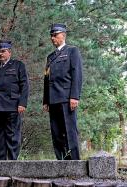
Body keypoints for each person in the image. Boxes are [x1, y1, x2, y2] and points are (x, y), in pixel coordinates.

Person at [0, 40, 29, 160]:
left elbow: (25, 86)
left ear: (9, 52)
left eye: (3, 51)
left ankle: (12, 163)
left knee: (12, 136)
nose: (0, 54)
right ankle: (0, 164)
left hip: (12, 106)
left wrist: (22, 103)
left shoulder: (18, 65)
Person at [43, 23, 83, 160]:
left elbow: (76, 75)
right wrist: (45, 100)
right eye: (51, 36)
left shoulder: (72, 51)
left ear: (63, 35)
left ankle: (75, 163)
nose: (52, 38)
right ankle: (61, 162)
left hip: (66, 98)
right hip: (53, 99)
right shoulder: (50, 57)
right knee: (56, 132)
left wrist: (74, 96)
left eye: (55, 35)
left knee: (69, 131)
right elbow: (46, 80)